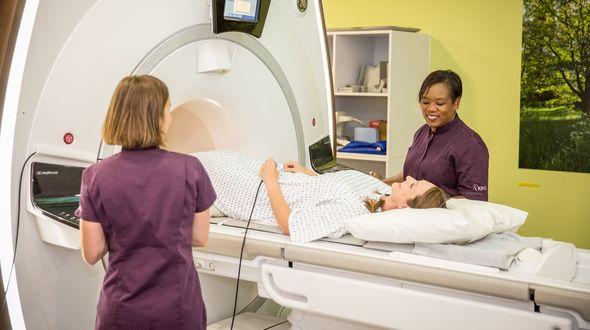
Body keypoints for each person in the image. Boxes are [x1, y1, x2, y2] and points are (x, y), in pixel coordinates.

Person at [76, 75, 216, 330]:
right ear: (157, 117)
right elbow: (199, 237)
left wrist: (124, 231)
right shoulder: (191, 168)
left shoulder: (94, 176)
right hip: (179, 310)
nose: (171, 117)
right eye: (168, 108)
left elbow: (92, 253)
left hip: (122, 311)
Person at [194, 150, 447, 243]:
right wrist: (308, 174)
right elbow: (340, 185)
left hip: (255, 192)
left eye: (413, 187)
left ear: (405, 206)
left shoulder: (352, 214)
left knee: (196, 166)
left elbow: (288, 224)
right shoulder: (379, 191)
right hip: (276, 177)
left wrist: (270, 181)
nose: (409, 179)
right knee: (210, 158)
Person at [383, 70, 489, 201]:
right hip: (410, 216)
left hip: (443, 219)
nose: (431, 108)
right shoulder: (421, 132)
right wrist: (384, 182)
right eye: (425, 102)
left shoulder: (470, 144)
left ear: (456, 103)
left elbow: (474, 199)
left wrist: (431, 203)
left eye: (440, 103)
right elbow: (414, 171)